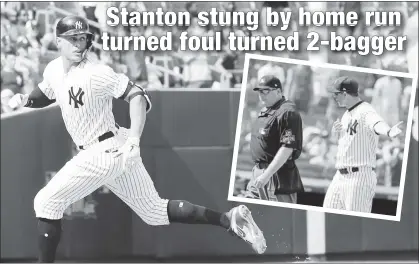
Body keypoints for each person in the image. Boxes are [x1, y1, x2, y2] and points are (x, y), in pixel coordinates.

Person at [8, 15, 267, 263]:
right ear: (58, 41)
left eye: (83, 38)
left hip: (105, 149)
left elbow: (137, 96)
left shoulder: (95, 72)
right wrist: (26, 100)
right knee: (154, 212)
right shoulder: (54, 69)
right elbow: (46, 91)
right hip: (109, 151)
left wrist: (134, 139)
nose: (79, 44)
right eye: (72, 38)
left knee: (45, 201)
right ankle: (229, 219)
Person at [324, 76, 404, 213]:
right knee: (327, 216)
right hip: (340, 176)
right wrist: (337, 132)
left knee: (355, 224)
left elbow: (376, 123)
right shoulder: (347, 114)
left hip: (359, 177)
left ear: (344, 93)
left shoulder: (365, 111)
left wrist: (389, 131)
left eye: (336, 94)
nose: (334, 97)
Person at [244, 75, 304, 203]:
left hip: (277, 177)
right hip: (258, 172)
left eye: (266, 91)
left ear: (278, 91)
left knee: (278, 218)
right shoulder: (267, 110)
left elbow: (287, 147)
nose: (262, 95)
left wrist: (266, 175)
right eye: (260, 91)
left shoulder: (287, 112)